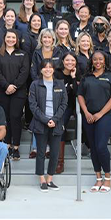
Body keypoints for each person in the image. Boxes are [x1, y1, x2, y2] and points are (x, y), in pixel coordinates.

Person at [78, 51, 111, 193]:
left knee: (101, 146)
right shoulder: (86, 77)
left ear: (105, 61)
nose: (97, 61)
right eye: (95, 59)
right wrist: (86, 112)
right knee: (93, 148)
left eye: (100, 59)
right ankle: (98, 177)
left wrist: (100, 114)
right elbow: (80, 95)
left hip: (105, 116)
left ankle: (107, 178)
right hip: (89, 117)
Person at [0, 29, 30, 161]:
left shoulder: (23, 54)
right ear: (4, 38)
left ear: (17, 39)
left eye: (13, 37)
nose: (11, 40)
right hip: (1, 91)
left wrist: (14, 86)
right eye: (8, 37)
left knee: (15, 117)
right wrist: (6, 85)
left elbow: (25, 72)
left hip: (18, 92)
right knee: (4, 119)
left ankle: (16, 147)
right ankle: (6, 145)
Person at [29, 60, 68, 191]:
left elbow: (64, 104)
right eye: (45, 68)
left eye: (50, 67)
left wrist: (55, 119)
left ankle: (50, 179)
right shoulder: (35, 84)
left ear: (53, 70)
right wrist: (46, 120)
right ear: (40, 70)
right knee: (40, 152)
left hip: (56, 123)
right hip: (41, 123)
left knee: (55, 153)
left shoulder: (60, 84)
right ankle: (42, 180)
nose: (48, 70)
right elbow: (33, 106)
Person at [54, 52, 79, 174]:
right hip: (53, 105)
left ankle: (60, 162)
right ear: (63, 62)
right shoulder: (56, 73)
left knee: (60, 126)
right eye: (67, 60)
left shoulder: (76, 75)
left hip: (67, 107)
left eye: (73, 61)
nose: (70, 63)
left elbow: (76, 93)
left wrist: (73, 78)